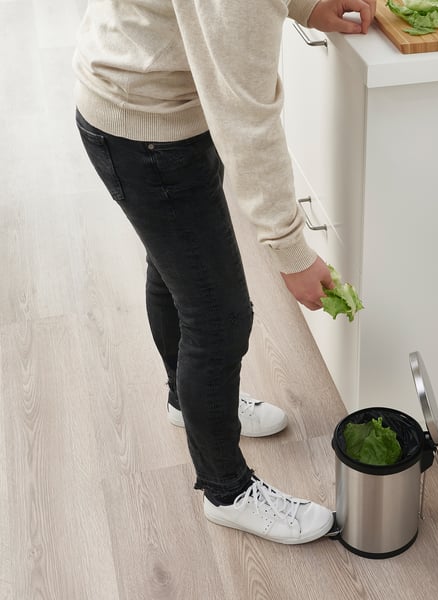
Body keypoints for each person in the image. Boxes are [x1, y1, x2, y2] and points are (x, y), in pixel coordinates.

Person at [73, 0, 376, 545]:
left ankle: (185, 402)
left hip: (132, 96)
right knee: (220, 317)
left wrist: (306, 7)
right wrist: (292, 252)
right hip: (149, 134)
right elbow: (246, 118)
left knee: (173, 274)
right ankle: (227, 492)